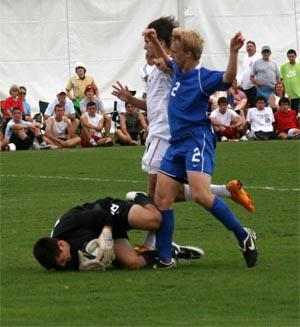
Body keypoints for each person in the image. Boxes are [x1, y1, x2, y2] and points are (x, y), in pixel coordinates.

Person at [113, 17, 255, 254]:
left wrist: (232, 53)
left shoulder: (178, 68)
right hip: (166, 135)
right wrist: (131, 100)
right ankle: (165, 250)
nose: (146, 47)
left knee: (157, 192)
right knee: (164, 195)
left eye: (149, 42)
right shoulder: (164, 68)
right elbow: (155, 102)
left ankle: (156, 245)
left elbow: (222, 79)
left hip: (173, 135)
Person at [33, 193, 204, 271]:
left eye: (63, 261)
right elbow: (95, 261)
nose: (65, 264)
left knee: (154, 220)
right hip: (102, 234)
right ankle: (168, 252)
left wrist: (106, 235)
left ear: (61, 244)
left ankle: (139, 197)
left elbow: (102, 216)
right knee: (132, 264)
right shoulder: (58, 260)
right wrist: (95, 263)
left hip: (105, 213)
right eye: (60, 265)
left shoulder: (67, 225)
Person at [239, 40, 260, 108]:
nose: (249, 48)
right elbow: (244, 70)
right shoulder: (245, 58)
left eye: (251, 46)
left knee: (253, 106)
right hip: (244, 87)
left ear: (255, 48)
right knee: (244, 106)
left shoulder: (258, 57)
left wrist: (257, 83)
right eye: (248, 46)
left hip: (253, 87)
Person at [280, 49, 300, 113]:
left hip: (298, 95)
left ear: (295, 56)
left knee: (298, 114)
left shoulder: (299, 66)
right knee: (290, 113)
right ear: (287, 57)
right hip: (288, 96)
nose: (291, 58)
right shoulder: (283, 67)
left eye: (292, 56)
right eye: (289, 56)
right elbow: (281, 80)